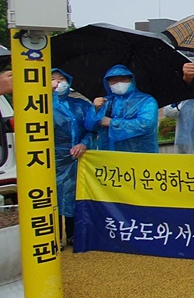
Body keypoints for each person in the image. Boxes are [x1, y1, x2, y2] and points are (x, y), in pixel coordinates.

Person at [50, 69, 94, 241]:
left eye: (62, 79)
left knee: (74, 194)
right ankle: (52, 238)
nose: (58, 83)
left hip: (76, 157)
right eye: (53, 79)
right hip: (52, 159)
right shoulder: (39, 105)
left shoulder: (80, 105)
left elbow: (92, 128)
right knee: (51, 197)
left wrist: (84, 143)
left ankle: (73, 235)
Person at [88, 65, 158, 153]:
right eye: (114, 80)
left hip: (140, 153)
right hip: (110, 155)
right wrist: (95, 110)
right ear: (108, 84)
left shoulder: (146, 101)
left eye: (123, 79)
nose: (119, 83)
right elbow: (90, 127)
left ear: (131, 80)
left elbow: (146, 125)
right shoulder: (105, 102)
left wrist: (112, 122)